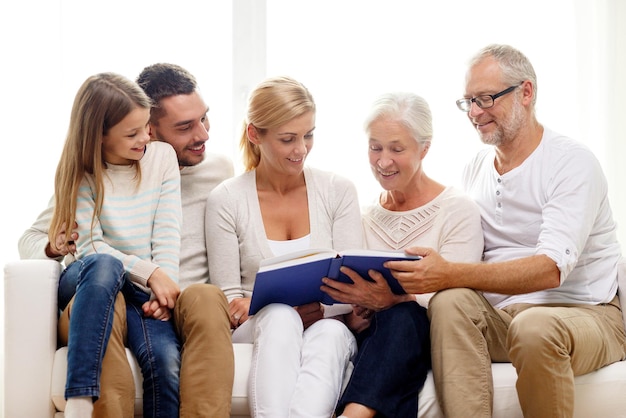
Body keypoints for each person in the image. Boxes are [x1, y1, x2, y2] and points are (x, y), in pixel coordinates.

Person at [384, 44, 626, 418]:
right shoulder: (475, 168)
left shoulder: (571, 163)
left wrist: (449, 273)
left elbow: (550, 268)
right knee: (450, 302)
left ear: (526, 93)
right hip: (505, 318)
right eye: (468, 102)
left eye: (485, 99)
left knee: (532, 326)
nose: (475, 113)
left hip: (586, 314)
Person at [19, 63, 236, 417]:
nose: (203, 135)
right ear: (151, 126)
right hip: (111, 291)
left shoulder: (216, 170)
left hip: (167, 298)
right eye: (184, 127)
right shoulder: (83, 172)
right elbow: (41, 239)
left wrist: (165, 289)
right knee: (109, 287)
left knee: (202, 306)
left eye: (204, 119)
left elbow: (171, 232)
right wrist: (53, 245)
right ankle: (88, 401)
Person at [320, 92, 484, 418]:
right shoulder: (361, 216)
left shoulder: (456, 210)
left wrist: (393, 301)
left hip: (423, 334)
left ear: (425, 148)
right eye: (375, 147)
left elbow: (455, 301)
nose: (383, 161)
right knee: (387, 322)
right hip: (372, 338)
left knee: (403, 317)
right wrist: (353, 314)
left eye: (397, 149)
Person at [206, 76, 361, 418]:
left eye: (309, 135)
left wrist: (322, 311)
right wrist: (283, 307)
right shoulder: (227, 199)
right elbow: (230, 299)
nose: (301, 149)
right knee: (279, 315)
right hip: (259, 326)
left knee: (332, 334)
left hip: (326, 319)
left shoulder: (338, 191)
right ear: (254, 135)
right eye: (288, 139)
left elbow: (353, 290)